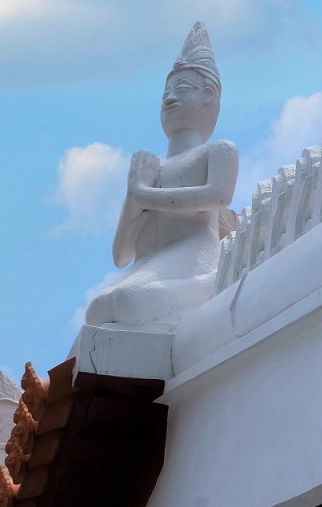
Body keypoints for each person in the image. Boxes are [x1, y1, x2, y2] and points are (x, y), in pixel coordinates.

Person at [86, 22, 238, 327]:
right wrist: (135, 194)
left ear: (209, 95)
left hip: (193, 260)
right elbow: (121, 255)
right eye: (166, 92)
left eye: (182, 89)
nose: (169, 98)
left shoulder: (219, 150)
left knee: (127, 301)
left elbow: (218, 196)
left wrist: (143, 194)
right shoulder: (150, 170)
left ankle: (210, 285)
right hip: (154, 262)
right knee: (96, 310)